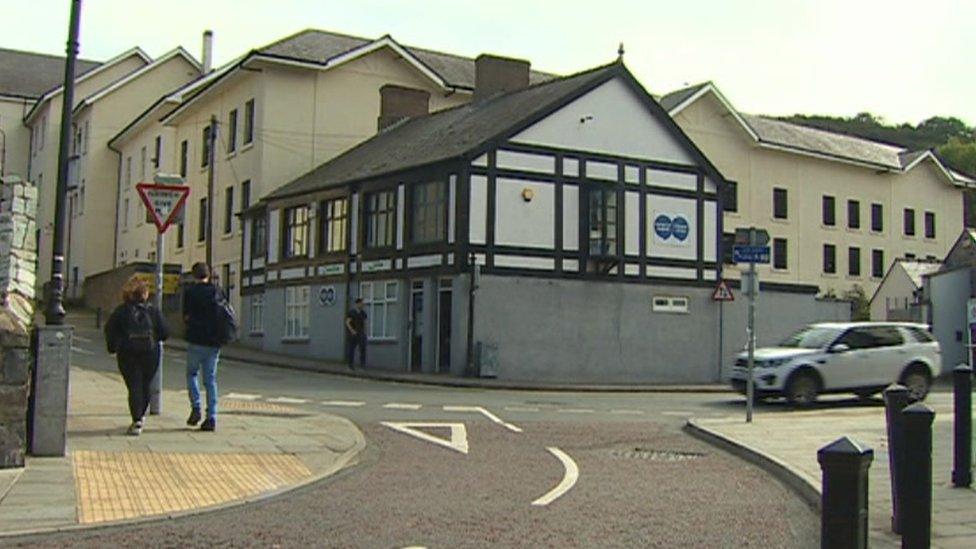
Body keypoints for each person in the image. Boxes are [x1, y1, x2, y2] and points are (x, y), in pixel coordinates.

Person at [104, 275, 169, 436]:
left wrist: (113, 347)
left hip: (128, 354)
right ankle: (140, 416)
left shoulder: (120, 311)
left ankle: (137, 418)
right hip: (150, 353)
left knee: (134, 386)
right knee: (145, 384)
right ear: (145, 294)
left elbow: (110, 331)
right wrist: (155, 339)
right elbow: (165, 332)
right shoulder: (153, 311)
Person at [183, 262, 223, 432]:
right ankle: (212, 416)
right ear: (209, 274)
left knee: (192, 374)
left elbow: (185, 316)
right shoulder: (217, 292)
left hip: (195, 340)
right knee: (210, 381)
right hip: (213, 342)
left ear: (194, 275)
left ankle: (196, 407)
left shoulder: (190, 292)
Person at [345, 298, 367, 369]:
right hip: (353, 334)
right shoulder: (352, 312)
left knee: (363, 349)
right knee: (351, 349)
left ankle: (362, 365)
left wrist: (365, 332)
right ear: (357, 304)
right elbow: (347, 322)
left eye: (363, 304)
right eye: (361, 303)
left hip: (361, 333)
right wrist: (352, 331)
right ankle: (350, 365)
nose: (363, 305)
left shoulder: (363, 313)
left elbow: (365, 323)